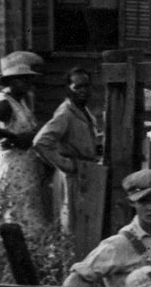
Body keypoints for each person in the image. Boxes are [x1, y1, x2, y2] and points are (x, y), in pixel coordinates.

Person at [0, 52, 51, 235]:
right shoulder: (5, 103)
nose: (26, 84)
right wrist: (13, 138)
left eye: (27, 79)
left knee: (29, 207)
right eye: (20, 80)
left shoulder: (21, 100)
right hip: (13, 166)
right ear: (10, 81)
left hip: (25, 164)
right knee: (17, 209)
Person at [34, 66, 106, 253]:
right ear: (68, 89)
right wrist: (65, 164)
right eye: (78, 87)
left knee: (83, 224)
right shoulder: (65, 113)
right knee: (70, 224)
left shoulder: (84, 112)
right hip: (71, 175)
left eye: (86, 86)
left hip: (85, 171)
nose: (83, 91)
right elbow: (41, 142)